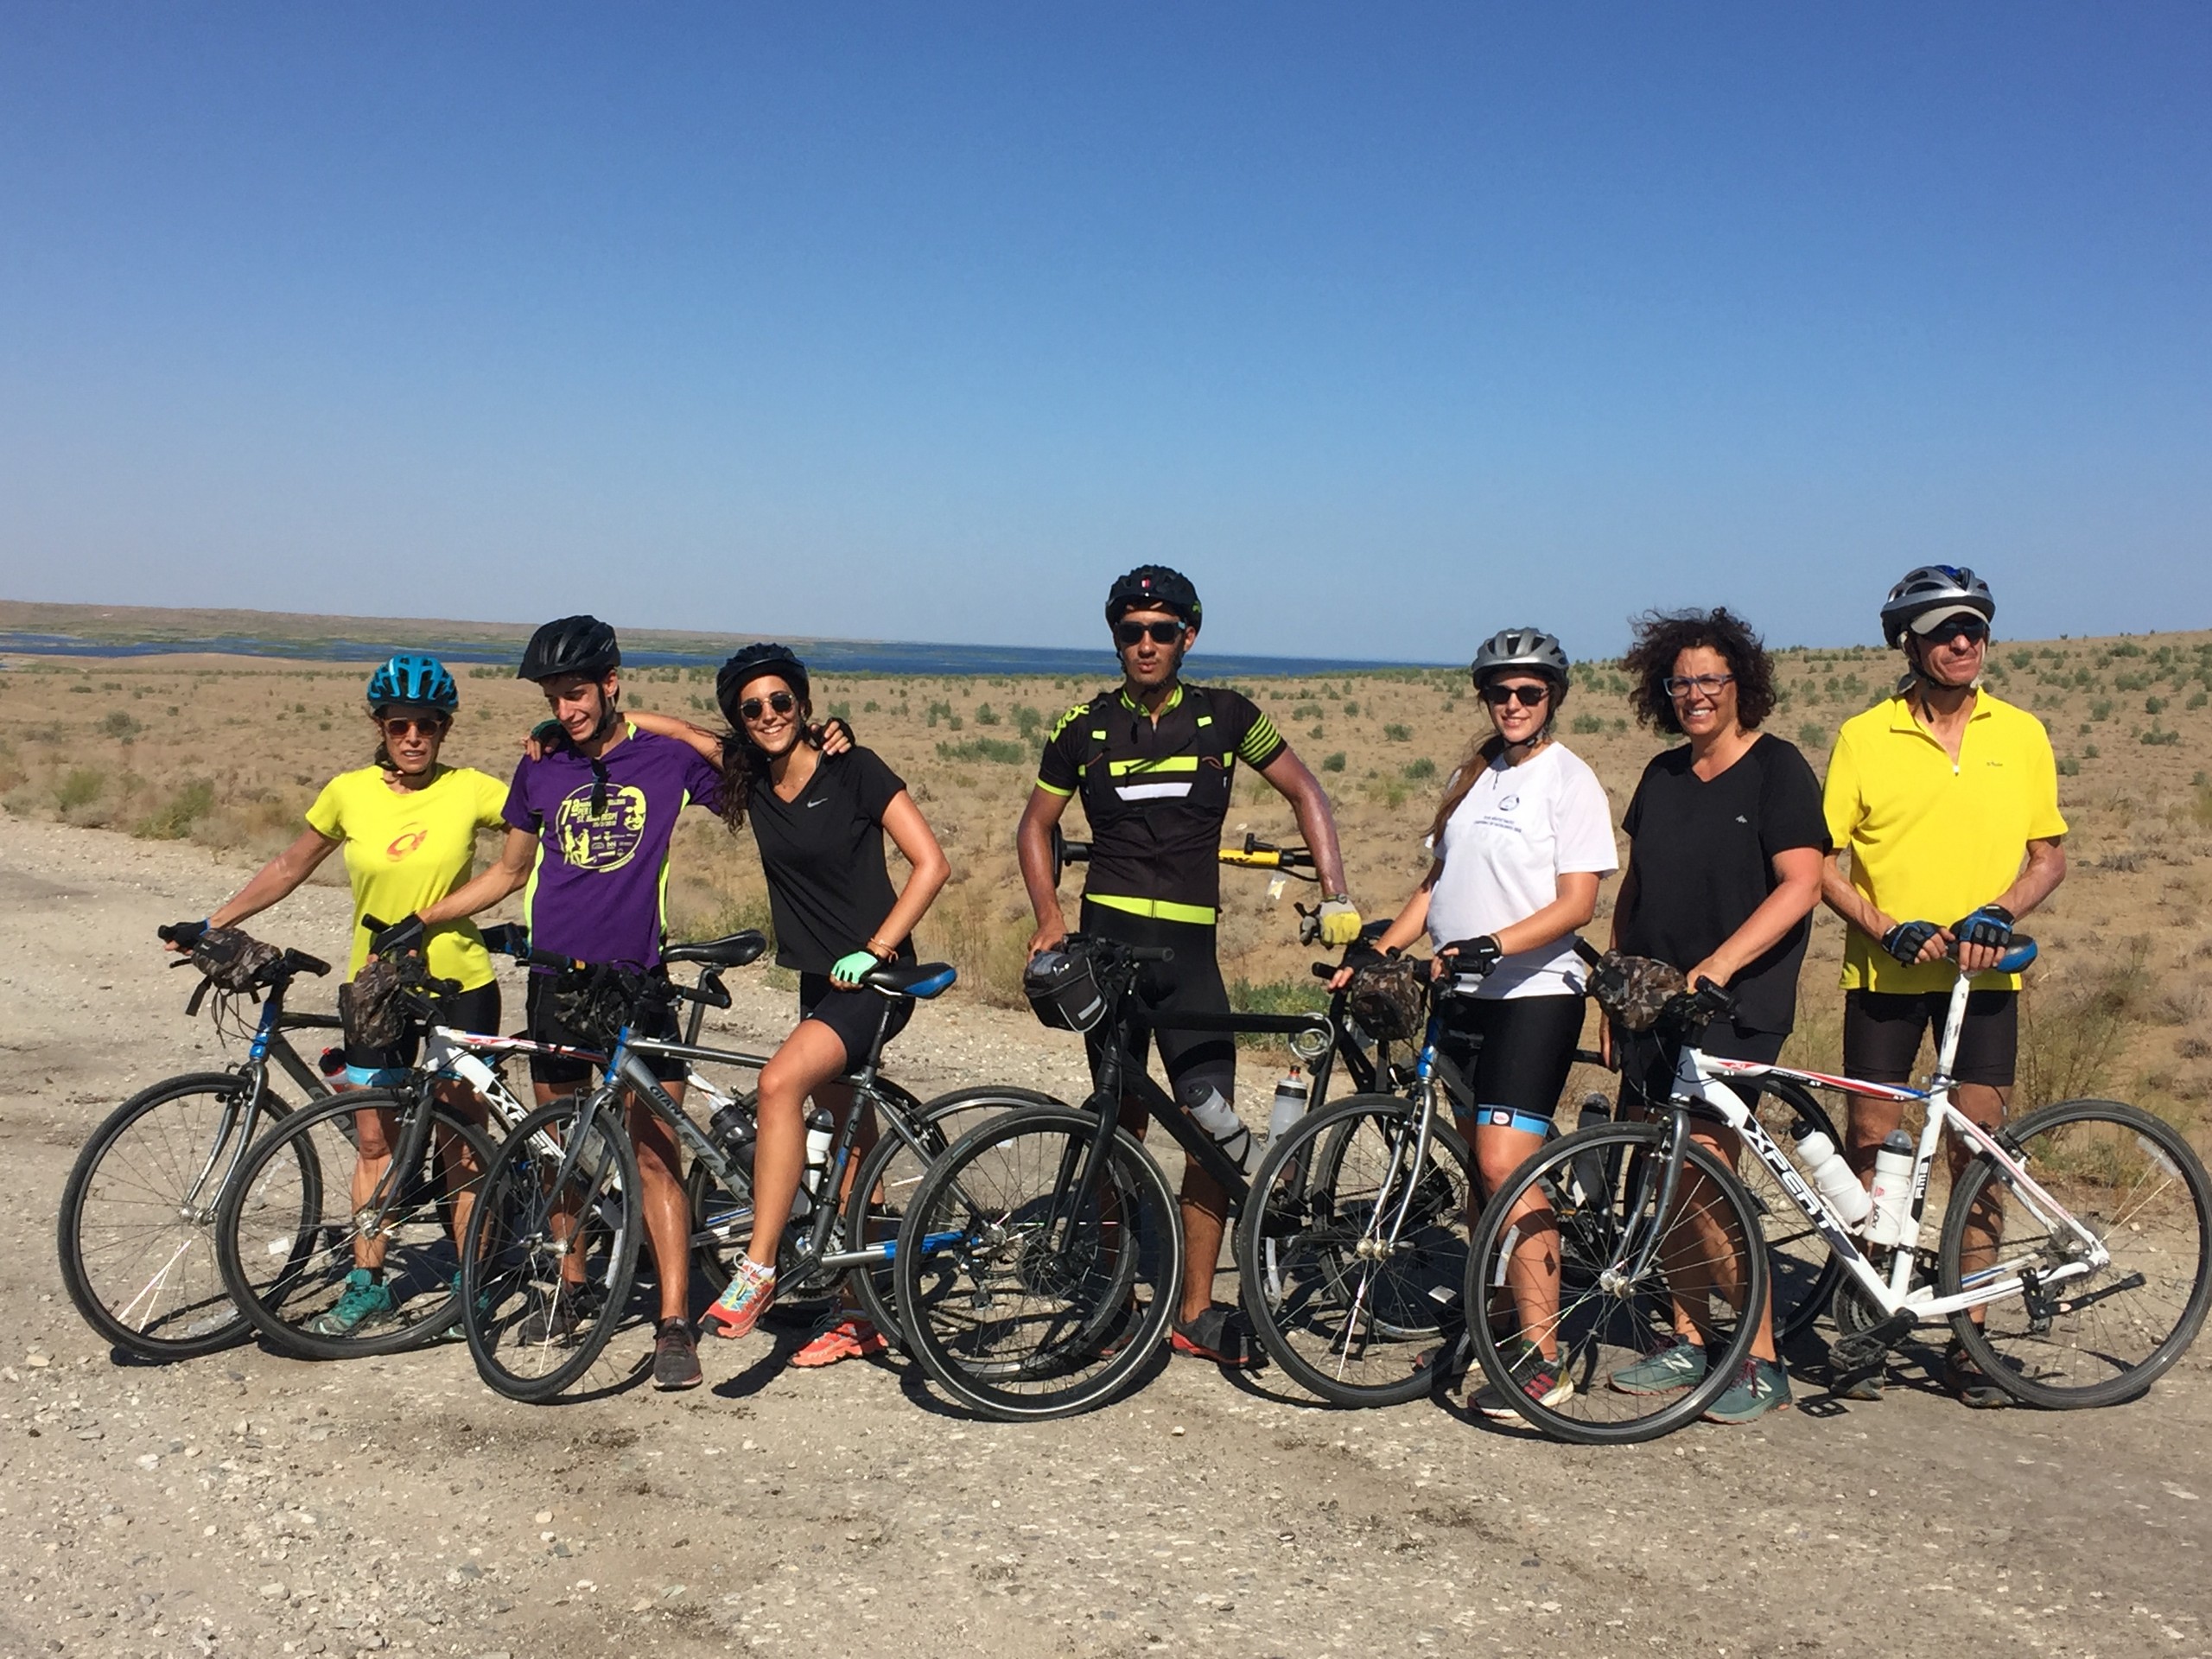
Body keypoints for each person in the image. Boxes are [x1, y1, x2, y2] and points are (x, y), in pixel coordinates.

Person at [1016, 566, 1361, 1363]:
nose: (1145, 644)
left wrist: (1337, 890)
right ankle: (1113, 1298)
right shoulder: (1082, 725)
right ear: (1115, 637)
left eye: (1161, 631)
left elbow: (1306, 790)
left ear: (1188, 636)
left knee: (1213, 1130)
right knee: (1114, 1126)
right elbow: (1036, 825)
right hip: (1104, 958)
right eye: (1131, 631)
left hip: (1190, 959)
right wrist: (1048, 917)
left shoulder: (1229, 715)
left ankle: (1197, 1310)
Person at [605, 644, 952, 1363]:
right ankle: (860, 1311)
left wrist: (880, 947)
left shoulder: (853, 768)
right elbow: (673, 731)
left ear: (803, 704)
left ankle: (758, 1265)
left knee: (777, 1084)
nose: (768, 717)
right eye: (752, 708)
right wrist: (585, 723)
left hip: (874, 979)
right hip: (820, 978)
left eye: (781, 703)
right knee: (845, 1130)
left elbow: (932, 864)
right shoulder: (751, 777)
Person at [414, 615, 724, 1392]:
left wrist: (650, 720)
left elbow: (739, 763)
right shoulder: (542, 767)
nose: (566, 708)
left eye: (578, 692)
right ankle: (576, 1286)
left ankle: (675, 1321)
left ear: (611, 682)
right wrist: (423, 921)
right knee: (562, 1145)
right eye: (555, 696)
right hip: (556, 977)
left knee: (655, 1151)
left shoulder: (665, 757)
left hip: (637, 978)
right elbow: (510, 873)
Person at [179, 654, 510, 1336]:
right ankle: (365, 1281)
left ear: (444, 729)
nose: (412, 737)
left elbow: (542, 829)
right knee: (371, 1142)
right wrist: (214, 924)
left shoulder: (473, 790)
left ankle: (473, 1279)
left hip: (459, 983)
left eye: (426, 725)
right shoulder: (348, 792)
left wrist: (556, 749)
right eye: (399, 726)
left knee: (462, 1140)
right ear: (380, 727)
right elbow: (290, 865)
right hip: (375, 990)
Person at [1339, 626, 1615, 1420]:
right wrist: (1382, 948)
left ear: (1552, 698)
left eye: (1530, 693)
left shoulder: (1572, 781)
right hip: (1458, 994)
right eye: (1501, 692)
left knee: (1507, 1166)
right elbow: (1438, 881)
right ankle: (1490, 1328)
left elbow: (1577, 903)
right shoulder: (1474, 776)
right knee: (1478, 1171)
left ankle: (1543, 1354)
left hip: (1535, 996)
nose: (1515, 704)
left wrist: (1492, 944)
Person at [1821, 566, 2068, 1407]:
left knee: (1979, 1153)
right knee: (1872, 1150)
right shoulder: (1864, 736)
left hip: (1981, 978)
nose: (1963, 643)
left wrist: (2001, 910)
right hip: (1884, 973)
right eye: (1943, 630)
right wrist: (1883, 923)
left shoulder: (2021, 733)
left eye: (1974, 628)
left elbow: (2048, 857)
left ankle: (1973, 1339)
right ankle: (1864, 1322)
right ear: (1909, 642)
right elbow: (1821, 865)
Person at [1604, 607, 1827, 1424]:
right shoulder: (1661, 776)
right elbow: (1634, 889)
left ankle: (1758, 1355)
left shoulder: (1778, 771)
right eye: (1682, 681)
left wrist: (1720, 965)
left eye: (1711, 680)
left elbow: (1801, 883)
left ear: (1742, 685)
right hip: (1653, 1000)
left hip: (1736, 1003)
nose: (1696, 694)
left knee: (1703, 1169)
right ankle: (1691, 1338)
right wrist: (1617, 991)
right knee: (1664, 1174)